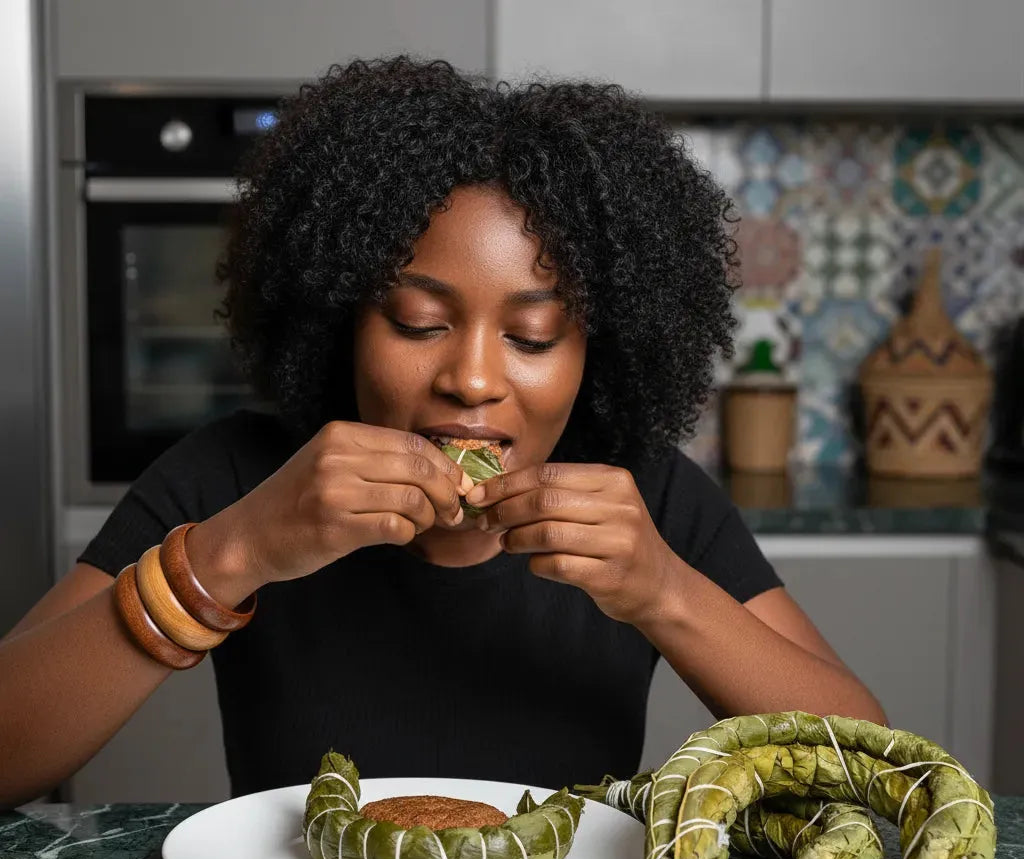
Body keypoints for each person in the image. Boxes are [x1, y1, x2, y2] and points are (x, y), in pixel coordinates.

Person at [0, 57, 886, 809]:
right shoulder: (235, 476)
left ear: (597, 351)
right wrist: (234, 552)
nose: (471, 378)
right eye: (419, 323)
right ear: (339, 323)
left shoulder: (646, 497)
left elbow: (878, 770)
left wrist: (664, 592)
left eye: (533, 337)